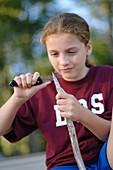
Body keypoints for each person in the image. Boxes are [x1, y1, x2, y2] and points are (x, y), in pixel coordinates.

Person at [0, 12, 113, 170]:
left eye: (71, 52)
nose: (63, 62)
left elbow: (109, 136)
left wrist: (82, 115)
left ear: (88, 48)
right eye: (54, 54)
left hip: (107, 158)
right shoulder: (42, 90)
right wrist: (17, 98)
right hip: (66, 164)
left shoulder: (108, 77)